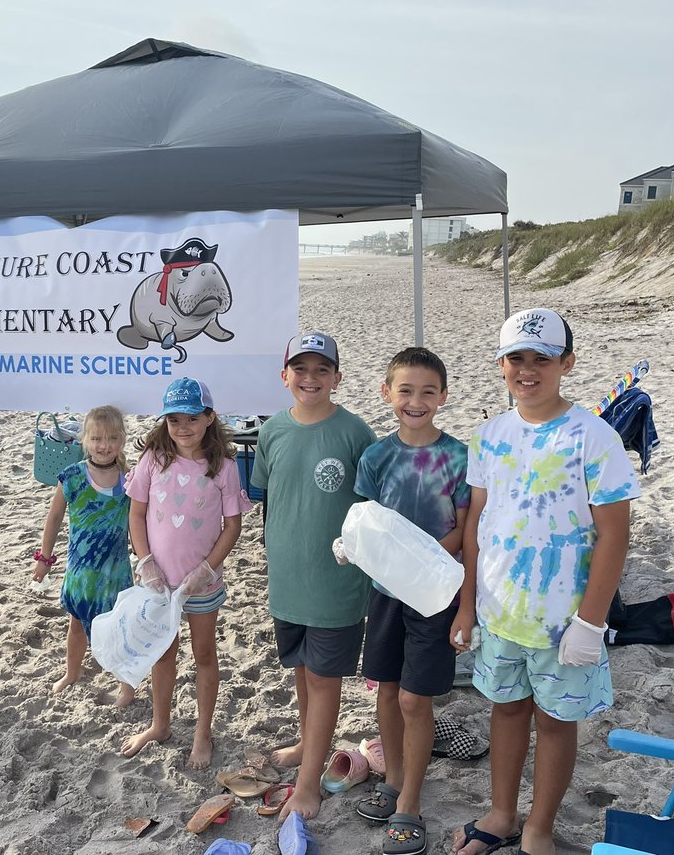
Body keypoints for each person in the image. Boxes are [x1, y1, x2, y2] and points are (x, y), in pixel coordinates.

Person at [451, 308, 640, 855]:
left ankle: (538, 827)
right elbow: (476, 527)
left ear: (567, 363)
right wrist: (469, 608)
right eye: (517, 358)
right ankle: (503, 813)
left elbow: (614, 535)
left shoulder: (594, 437)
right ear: (501, 364)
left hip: (566, 621)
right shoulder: (488, 436)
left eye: (542, 359)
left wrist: (591, 621)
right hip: (502, 611)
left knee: (556, 722)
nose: (528, 370)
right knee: (506, 710)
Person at [250, 331, 377, 821]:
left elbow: (371, 508)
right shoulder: (271, 432)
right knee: (303, 671)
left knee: (325, 681)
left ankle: (308, 787)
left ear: (337, 378)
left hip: (336, 583)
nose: (310, 378)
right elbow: (269, 497)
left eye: (322, 369)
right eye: (300, 369)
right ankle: (310, 747)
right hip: (287, 580)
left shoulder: (354, 432)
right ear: (285, 377)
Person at [352, 348, 469, 855]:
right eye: (405, 390)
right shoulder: (376, 457)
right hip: (385, 596)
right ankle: (394, 780)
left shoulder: (460, 457)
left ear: (442, 397)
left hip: (436, 595)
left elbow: (465, 530)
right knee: (386, 690)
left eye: (427, 391)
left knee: (414, 699)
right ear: (387, 394)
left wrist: (421, 563)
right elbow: (368, 525)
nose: (415, 401)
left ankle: (411, 803)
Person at [122, 378, 249, 769]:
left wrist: (208, 568)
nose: (183, 427)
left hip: (203, 584)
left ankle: (202, 731)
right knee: (163, 654)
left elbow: (232, 526)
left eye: (192, 417)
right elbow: (137, 513)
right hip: (160, 583)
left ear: (210, 418)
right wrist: (145, 562)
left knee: (204, 654)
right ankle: (160, 724)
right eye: (174, 419)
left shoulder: (224, 468)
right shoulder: (153, 460)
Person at [32, 405, 135, 707]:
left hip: (115, 570)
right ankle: (71, 672)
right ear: (84, 441)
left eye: (112, 438)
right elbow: (53, 518)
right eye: (96, 439)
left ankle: (125, 685)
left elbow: (140, 522)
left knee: (118, 628)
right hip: (81, 569)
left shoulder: (129, 480)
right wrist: (43, 558)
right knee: (76, 623)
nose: (104, 446)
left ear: (123, 440)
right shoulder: (73, 476)